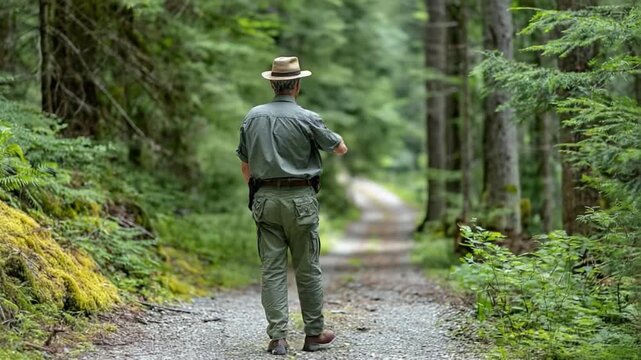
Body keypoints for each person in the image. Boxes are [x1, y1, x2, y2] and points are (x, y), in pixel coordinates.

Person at [236, 56, 348, 356]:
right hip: (301, 200)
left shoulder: (253, 116)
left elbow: (245, 164)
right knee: (307, 268)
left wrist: (257, 191)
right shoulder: (307, 117)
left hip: (265, 199)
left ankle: (278, 338)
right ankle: (313, 335)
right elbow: (339, 148)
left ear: (273, 84)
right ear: (296, 85)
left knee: (272, 269)